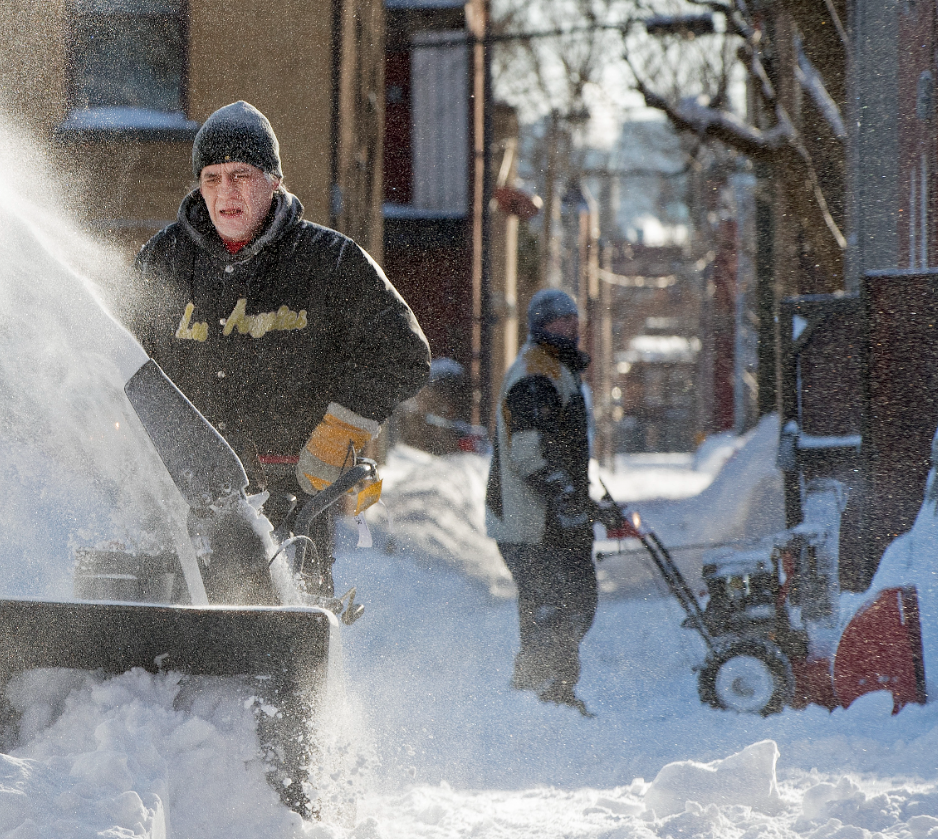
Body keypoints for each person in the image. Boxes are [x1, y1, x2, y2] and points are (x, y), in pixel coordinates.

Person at [126, 101, 430, 597]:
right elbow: (118, 359)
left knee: (279, 645)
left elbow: (404, 353)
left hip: (292, 502)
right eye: (212, 178)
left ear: (274, 180)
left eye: (242, 175)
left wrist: (341, 430)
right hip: (178, 503)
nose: (226, 193)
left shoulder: (329, 262)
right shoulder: (163, 261)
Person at [485, 288, 622, 715]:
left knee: (571, 604)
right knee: (556, 607)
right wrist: (569, 501)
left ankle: (540, 694)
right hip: (531, 524)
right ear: (539, 326)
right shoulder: (534, 375)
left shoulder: (558, 370)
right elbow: (529, 456)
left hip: (555, 520)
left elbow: (562, 450)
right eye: (558, 321)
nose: (568, 327)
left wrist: (589, 504)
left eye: (572, 320)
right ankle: (547, 694)